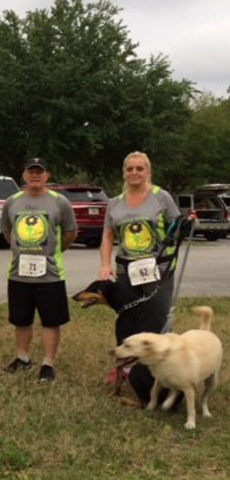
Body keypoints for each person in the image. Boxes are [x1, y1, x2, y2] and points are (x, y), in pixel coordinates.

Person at [99, 151, 181, 402]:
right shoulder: (115, 202)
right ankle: (123, 370)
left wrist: (184, 226)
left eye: (139, 169)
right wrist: (105, 265)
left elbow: (175, 227)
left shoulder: (161, 197)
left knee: (157, 321)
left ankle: (162, 373)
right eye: (130, 169)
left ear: (148, 171)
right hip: (126, 270)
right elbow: (108, 236)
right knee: (128, 322)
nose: (134, 173)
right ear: (124, 172)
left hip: (158, 270)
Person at [1, 158, 77, 382]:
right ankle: (22, 358)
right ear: (23, 176)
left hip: (50, 274)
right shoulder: (12, 201)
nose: (35, 175)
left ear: (47, 176)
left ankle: (47, 363)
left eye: (39, 172)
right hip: (18, 272)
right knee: (21, 319)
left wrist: (54, 251)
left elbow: (71, 232)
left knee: (51, 320)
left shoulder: (59, 201)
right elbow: (7, 231)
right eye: (30, 172)